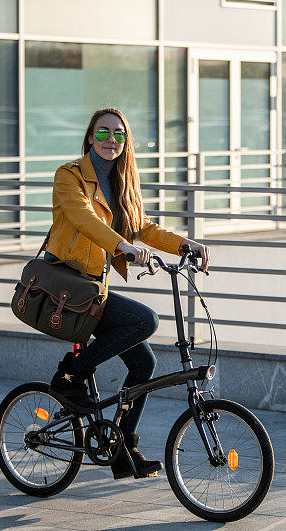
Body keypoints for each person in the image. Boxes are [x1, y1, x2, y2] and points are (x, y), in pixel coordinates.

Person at [44, 107, 210, 480]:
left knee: (144, 365)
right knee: (145, 319)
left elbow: (144, 228)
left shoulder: (123, 183)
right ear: (89, 137)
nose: (111, 140)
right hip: (68, 287)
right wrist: (124, 247)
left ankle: (122, 449)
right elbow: (84, 220)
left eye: (118, 134)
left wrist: (185, 243)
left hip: (93, 289)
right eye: (102, 133)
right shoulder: (68, 177)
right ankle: (69, 375)